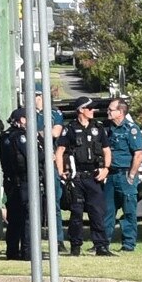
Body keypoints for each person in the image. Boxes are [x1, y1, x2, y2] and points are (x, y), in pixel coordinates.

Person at [55, 96, 114, 257]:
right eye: (90, 108)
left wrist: (106, 169)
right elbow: (59, 151)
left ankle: (101, 246)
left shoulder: (99, 128)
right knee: (76, 213)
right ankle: (75, 246)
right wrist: (61, 172)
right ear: (81, 110)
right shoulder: (70, 129)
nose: (93, 111)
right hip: (77, 178)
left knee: (97, 212)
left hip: (94, 176)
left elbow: (107, 150)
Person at [0, 108, 44, 261]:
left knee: (15, 219)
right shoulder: (21, 137)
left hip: (11, 182)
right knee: (29, 217)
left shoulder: (5, 136)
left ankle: (12, 251)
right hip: (25, 182)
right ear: (22, 120)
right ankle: (28, 252)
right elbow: (34, 155)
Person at [104, 98, 142, 252]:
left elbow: (138, 155)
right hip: (112, 175)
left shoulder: (131, 129)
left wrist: (131, 176)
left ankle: (128, 244)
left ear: (120, 112)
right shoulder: (109, 129)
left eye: (110, 110)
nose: (108, 112)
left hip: (125, 175)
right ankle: (103, 243)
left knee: (128, 211)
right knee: (107, 211)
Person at [35, 88, 67, 253]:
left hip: (49, 162)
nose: (33, 99)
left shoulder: (54, 113)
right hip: (32, 163)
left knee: (53, 203)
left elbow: (56, 132)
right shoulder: (25, 113)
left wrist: (35, 132)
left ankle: (58, 239)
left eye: (36, 96)